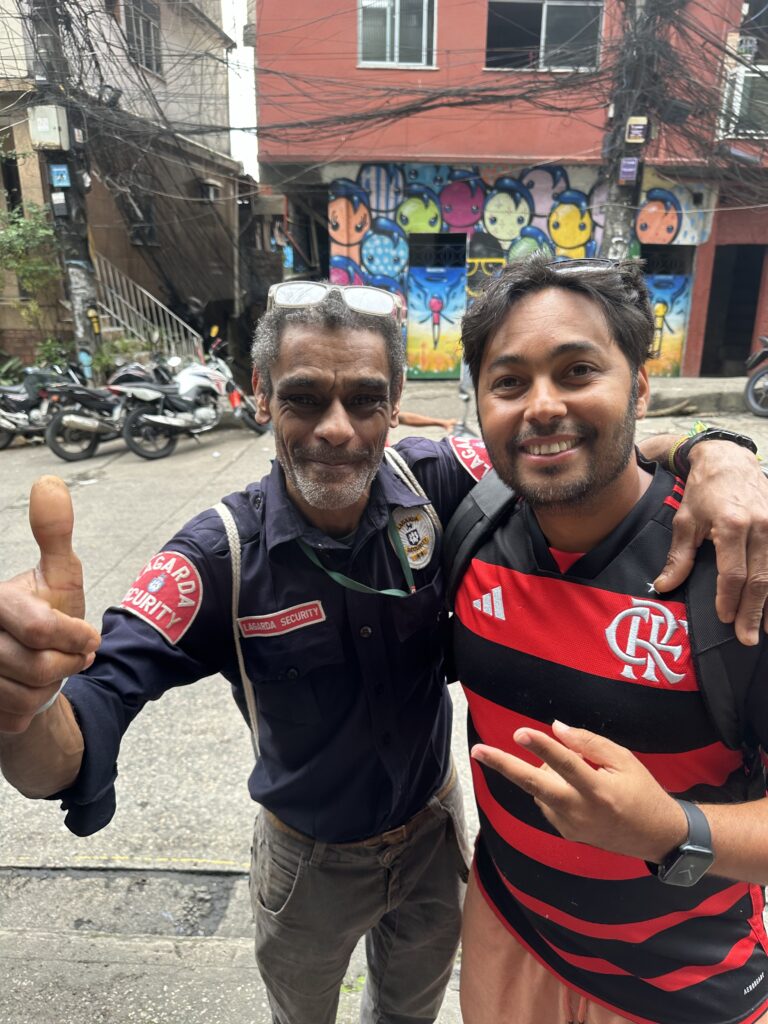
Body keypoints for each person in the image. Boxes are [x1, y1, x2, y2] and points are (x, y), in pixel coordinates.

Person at [0, 279, 766, 1024]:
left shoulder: (446, 483)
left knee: (410, 1012)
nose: (336, 426)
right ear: (262, 395)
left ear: (394, 402)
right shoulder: (217, 556)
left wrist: (719, 452)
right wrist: (25, 704)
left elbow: (568, 446)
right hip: (309, 862)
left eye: (364, 399)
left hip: (437, 839)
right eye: (304, 397)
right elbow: (71, 742)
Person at [451, 255, 768, 1024]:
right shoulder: (470, 525)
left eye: (578, 369)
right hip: (509, 938)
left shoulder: (735, 566)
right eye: (509, 382)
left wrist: (669, 829)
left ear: (640, 384)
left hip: (685, 990)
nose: (542, 406)